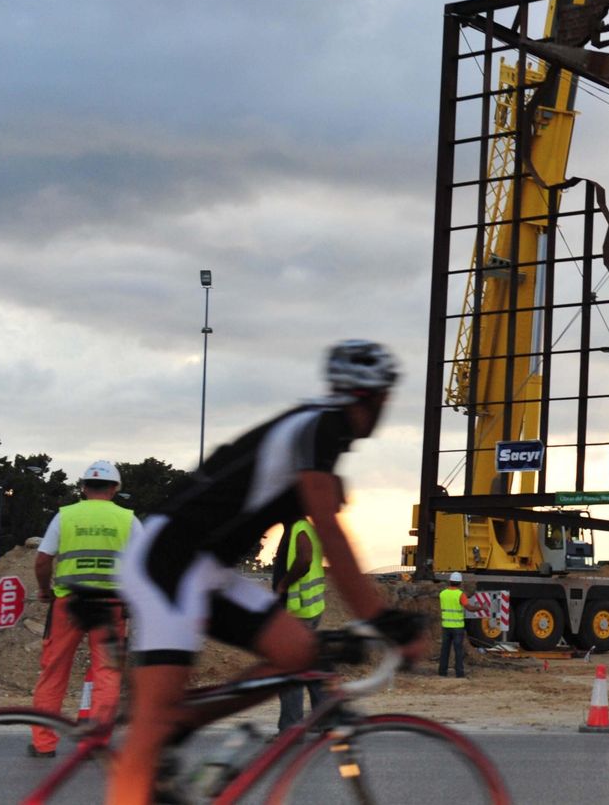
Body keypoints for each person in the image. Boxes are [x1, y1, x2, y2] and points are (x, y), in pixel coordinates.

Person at [109, 340, 426, 803]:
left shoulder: (320, 433)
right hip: (167, 561)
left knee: (300, 653)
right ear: (372, 398)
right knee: (151, 723)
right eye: (384, 400)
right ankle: (155, 746)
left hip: (204, 568)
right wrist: (383, 619)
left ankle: (184, 725)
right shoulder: (318, 427)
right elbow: (331, 536)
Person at [29, 461, 142, 758]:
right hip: (111, 606)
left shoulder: (66, 516)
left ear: (83, 487)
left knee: (53, 672)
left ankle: (43, 744)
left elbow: (43, 560)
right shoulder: (128, 519)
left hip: (69, 603)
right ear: (116, 488)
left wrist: (45, 590)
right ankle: (94, 742)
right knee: (106, 672)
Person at [272, 518, 327, 732]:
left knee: (290, 670)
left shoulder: (298, 527)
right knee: (308, 664)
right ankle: (324, 717)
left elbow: (304, 560)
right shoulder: (305, 527)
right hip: (309, 608)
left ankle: (290, 729)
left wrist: (283, 584)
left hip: (298, 610)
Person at [438, 571, 482, 677]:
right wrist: (481, 608)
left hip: (446, 626)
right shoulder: (460, 594)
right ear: (460, 583)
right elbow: (469, 608)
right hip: (457, 627)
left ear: (450, 581)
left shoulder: (442, 594)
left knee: (445, 650)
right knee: (458, 651)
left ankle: (442, 672)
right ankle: (459, 673)